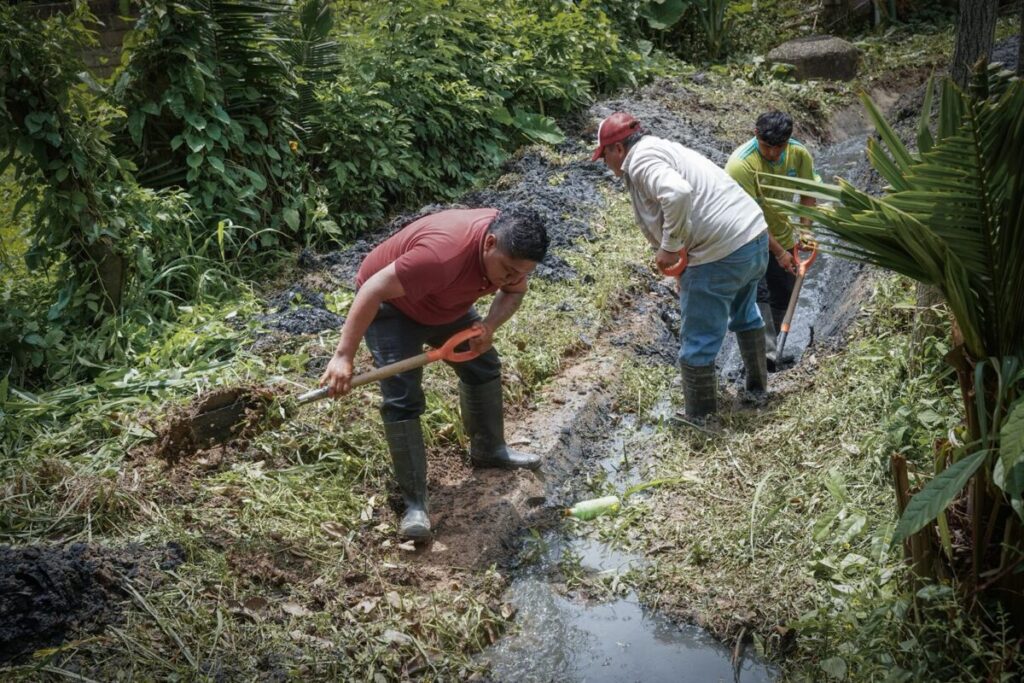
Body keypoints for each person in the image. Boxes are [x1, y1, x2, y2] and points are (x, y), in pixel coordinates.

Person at [319, 207, 550, 541]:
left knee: (482, 364)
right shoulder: (442, 256)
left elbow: (514, 292)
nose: (513, 278)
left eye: (522, 273)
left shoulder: (512, 252)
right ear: (489, 243)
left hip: (445, 303)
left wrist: (488, 326)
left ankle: (489, 450)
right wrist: (343, 356)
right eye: (508, 271)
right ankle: (415, 505)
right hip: (393, 307)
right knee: (402, 396)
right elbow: (372, 288)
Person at [591, 111, 769, 420]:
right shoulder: (662, 148)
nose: (606, 163)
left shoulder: (640, 160)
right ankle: (757, 390)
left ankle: (701, 419)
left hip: (720, 253)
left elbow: (677, 193)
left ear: (617, 148)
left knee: (698, 340)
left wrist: (670, 247)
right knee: (745, 313)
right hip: (753, 238)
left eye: (604, 156)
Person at [725, 111, 819, 371]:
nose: (774, 154)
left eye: (780, 147)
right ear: (756, 135)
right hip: (745, 237)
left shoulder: (799, 154)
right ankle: (763, 357)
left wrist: (806, 232)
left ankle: (770, 346)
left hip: (782, 233)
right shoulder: (741, 165)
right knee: (759, 294)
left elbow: (808, 193)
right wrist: (778, 253)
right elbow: (748, 219)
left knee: (784, 293)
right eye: (767, 147)